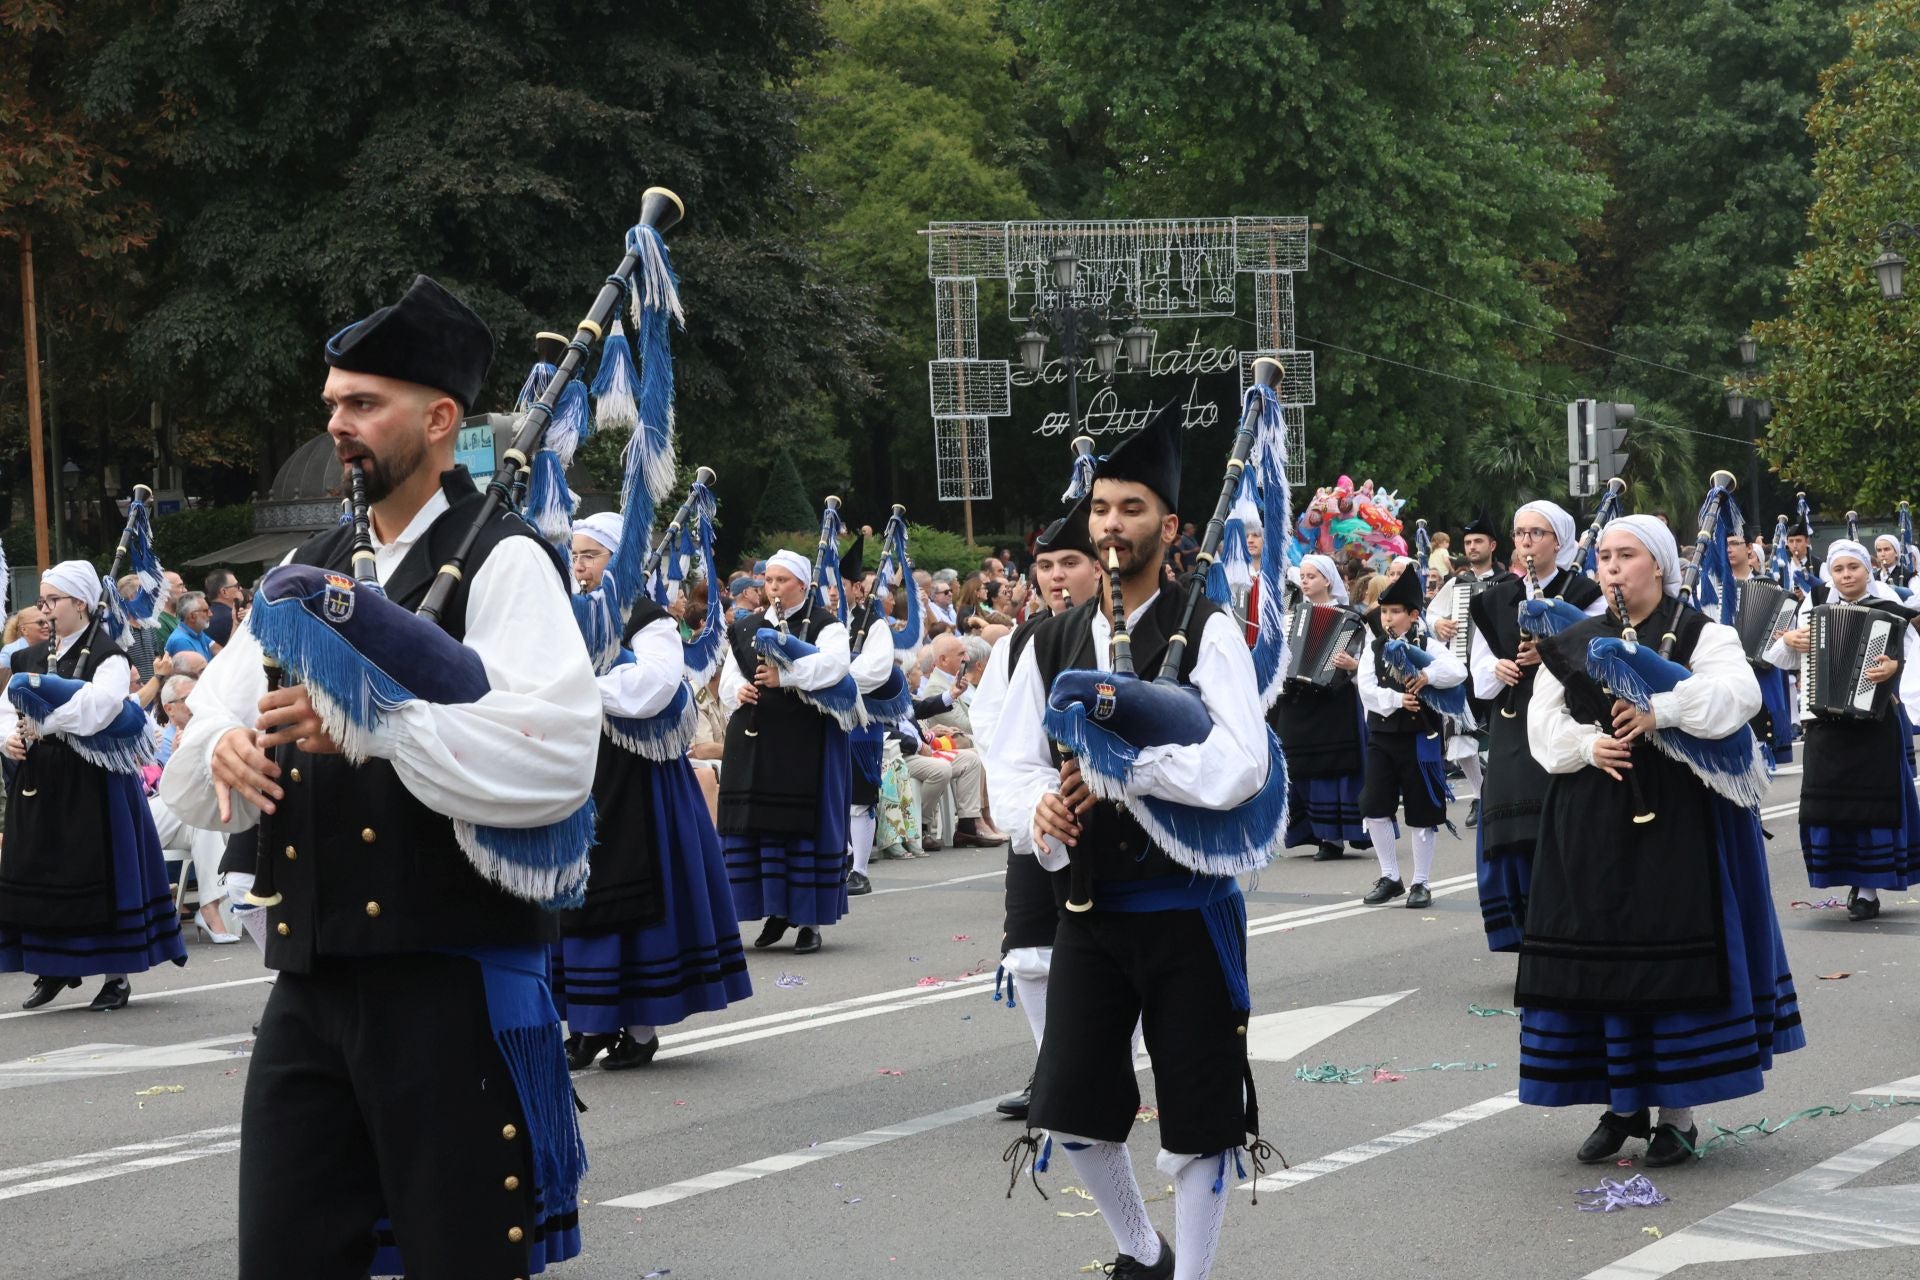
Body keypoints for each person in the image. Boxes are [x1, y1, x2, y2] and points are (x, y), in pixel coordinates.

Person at [160, 274, 601, 1277]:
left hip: (448, 983)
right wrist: (222, 743)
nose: (339, 425)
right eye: (332, 405)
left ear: (440, 418)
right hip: (309, 987)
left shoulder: (503, 561)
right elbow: (203, 738)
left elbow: (555, 756)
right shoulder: (306, 566)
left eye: (363, 404)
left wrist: (383, 729)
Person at [986, 407, 1270, 1280]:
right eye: (1102, 508)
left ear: (1170, 526)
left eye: (1132, 508)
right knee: (1067, 1108)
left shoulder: (1206, 626)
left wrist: (1129, 771)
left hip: (1187, 911)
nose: (1111, 524)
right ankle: (1140, 1252)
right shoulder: (1047, 639)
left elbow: (1240, 766)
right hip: (1090, 911)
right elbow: (1012, 762)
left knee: (1200, 1121)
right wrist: (1042, 811)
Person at [1521, 516, 1803, 1166]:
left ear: (1660, 566)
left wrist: (1662, 710)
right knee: (1608, 959)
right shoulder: (1575, 639)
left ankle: (1677, 1116)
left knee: (1677, 960)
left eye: (1627, 555)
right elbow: (1544, 725)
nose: (1612, 567)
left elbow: (1738, 698)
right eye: (1604, 557)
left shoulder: (1704, 632)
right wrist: (1588, 744)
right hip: (1594, 814)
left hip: (1684, 821)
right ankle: (1623, 1106)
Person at [550, 512, 752, 1071]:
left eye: (591, 555)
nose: (580, 565)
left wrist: (581, 685)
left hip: (635, 777)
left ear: (618, 561)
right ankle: (586, 1025)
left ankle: (637, 1029)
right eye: (577, 555)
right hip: (577, 769)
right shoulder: (565, 614)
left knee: (627, 894)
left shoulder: (648, 618)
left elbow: (656, 688)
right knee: (572, 894)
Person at [1, 560, 188, 1010]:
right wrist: (8, 737)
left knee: (98, 873)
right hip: (40, 780)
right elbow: (9, 707)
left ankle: (115, 975)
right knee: (38, 870)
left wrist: (47, 722)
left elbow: (102, 709)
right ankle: (54, 968)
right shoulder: (28, 655)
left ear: (80, 603)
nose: (43, 609)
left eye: (52, 600)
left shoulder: (107, 654)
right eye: (41, 601)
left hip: (92, 782)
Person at [973, 494, 1103, 1120]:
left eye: (1069, 560)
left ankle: (1091, 1067)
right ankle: (1052, 1070)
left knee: (1112, 956)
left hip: (1113, 822)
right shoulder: (1019, 643)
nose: (1055, 576)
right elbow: (994, 730)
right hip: (1041, 820)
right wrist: (1034, 800)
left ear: (1099, 565)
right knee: (1029, 954)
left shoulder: (1124, 632)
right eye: (1046, 564)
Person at [1466, 501, 1605, 951]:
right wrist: (1501, 669)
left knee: (1559, 822)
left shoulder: (1586, 592)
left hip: (1567, 715)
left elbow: (1597, 659)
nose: (1526, 542)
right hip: (1512, 721)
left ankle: (1567, 929)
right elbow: (1480, 677)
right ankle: (1524, 932)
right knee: (1511, 826)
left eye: (1537, 533)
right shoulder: (1494, 598)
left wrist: (1549, 651)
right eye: (1520, 533)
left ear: (1558, 541)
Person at [1767, 538, 1920, 922]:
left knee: (1870, 807)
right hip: (1823, 723)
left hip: (1873, 723)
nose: (1847, 575)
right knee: (1828, 805)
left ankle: (1867, 890)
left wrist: (1893, 668)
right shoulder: (1814, 605)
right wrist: (1788, 639)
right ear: (1830, 573)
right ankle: (1842, 875)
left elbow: (1908, 656)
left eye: (1854, 567)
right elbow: (1777, 656)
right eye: (1839, 569)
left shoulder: (1887, 610)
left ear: (1867, 570)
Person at [718, 548, 853, 955]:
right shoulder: (746, 627)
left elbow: (836, 668)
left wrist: (786, 675)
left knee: (799, 828)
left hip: (803, 739)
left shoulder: (826, 625)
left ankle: (809, 920)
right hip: (756, 740)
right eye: (769, 580)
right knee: (761, 824)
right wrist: (736, 691)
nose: (772, 587)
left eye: (781, 580)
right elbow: (728, 676)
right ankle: (775, 910)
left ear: (801, 584)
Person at [1354, 568, 1468, 908]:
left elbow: (1457, 672)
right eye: (1384, 612)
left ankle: (1421, 881)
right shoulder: (1374, 648)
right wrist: (1396, 699)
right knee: (1374, 806)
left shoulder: (1428, 645)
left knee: (1422, 810)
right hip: (1382, 735)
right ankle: (1391, 876)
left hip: (1421, 736)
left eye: (1395, 612)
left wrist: (1426, 673)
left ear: (1413, 615)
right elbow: (1367, 689)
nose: (1388, 618)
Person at [1271, 554, 1368, 861]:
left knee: (1332, 767)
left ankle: (1334, 837)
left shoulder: (1348, 616)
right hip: (1296, 700)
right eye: (1304, 576)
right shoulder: (1289, 615)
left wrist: (1352, 665)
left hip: (1333, 702)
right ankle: (1308, 830)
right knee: (1297, 766)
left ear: (1328, 580)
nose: (1306, 581)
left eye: (1312, 576)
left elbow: (1365, 657)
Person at [1428, 513, 1507, 826]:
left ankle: (1496, 793)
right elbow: (1430, 615)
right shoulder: (1457, 585)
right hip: (1462, 668)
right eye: (1469, 542)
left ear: (1492, 545)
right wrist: (1440, 624)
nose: (1473, 547)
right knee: (1460, 742)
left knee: (1497, 737)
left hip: (1497, 671)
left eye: (1478, 541)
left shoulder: (1508, 584)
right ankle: (1482, 794)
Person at [1725, 527, 1796, 766]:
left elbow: (1787, 625)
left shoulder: (1768, 585)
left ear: (1748, 548)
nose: (1729, 549)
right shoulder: (1711, 589)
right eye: (1725, 545)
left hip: (1762, 665)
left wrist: (1780, 637)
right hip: (1726, 664)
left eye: (1734, 543)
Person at [165, 591, 217, 661]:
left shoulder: (197, 632)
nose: (211, 614)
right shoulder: (181, 641)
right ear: (192, 616)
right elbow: (198, 671)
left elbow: (221, 652)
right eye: (205, 611)